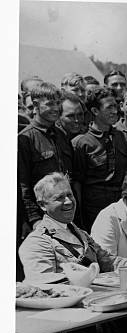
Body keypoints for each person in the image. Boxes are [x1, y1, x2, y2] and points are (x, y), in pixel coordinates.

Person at [19, 173, 127, 277]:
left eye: (70, 195)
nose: (69, 201)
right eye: (59, 198)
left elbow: (107, 262)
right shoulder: (37, 241)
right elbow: (46, 286)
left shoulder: (80, 233)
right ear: (42, 205)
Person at [72, 86, 127, 231]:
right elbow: (77, 183)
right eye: (109, 107)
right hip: (94, 210)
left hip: (120, 206)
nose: (115, 111)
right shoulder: (82, 143)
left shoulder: (121, 137)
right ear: (95, 111)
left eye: (115, 106)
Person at [18, 82, 75, 230]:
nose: (56, 108)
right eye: (50, 104)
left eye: (57, 103)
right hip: (42, 216)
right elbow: (23, 186)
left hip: (65, 213)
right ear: (36, 105)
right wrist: (34, 220)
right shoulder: (25, 139)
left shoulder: (61, 135)